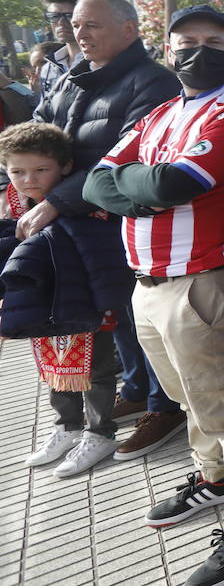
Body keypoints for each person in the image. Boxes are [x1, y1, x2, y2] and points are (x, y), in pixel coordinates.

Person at [82, 5, 224, 586]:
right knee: (189, 399)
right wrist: (140, 190)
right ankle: (212, 477)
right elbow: (97, 178)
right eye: (186, 42)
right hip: (146, 282)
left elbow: (178, 182)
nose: (198, 51)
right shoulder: (163, 111)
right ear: (167, 49)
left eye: (213, 42)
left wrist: (135, 187)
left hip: (201, 281)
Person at [32, 0, 186, 449]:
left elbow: (121, 158)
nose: (80, 33)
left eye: (92, 25)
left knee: (138, 314)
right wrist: (23, 181)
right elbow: (40, 133)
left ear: (129, 30)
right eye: (75, 25)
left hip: (118, 218)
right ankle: (137, 391)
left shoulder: (152, 82)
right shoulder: (74, 78)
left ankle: (165, 407)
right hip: (77, 218)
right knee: (114, 314)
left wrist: (56, 198)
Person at [2, 123, 124, 478]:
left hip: (83, 296)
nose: (29, 180)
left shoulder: (77, 201)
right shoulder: (14, 201)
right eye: (17, 171)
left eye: (41, 169)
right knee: (51, 365)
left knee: (97, 368)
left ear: (65, 166)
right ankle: (67, 426)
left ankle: (100, 432)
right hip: (42, 299)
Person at [36, 0, 84, 103]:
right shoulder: (48, 68)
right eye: (54, 16)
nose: (61, 23)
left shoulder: (101, 63)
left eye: (69, 16)